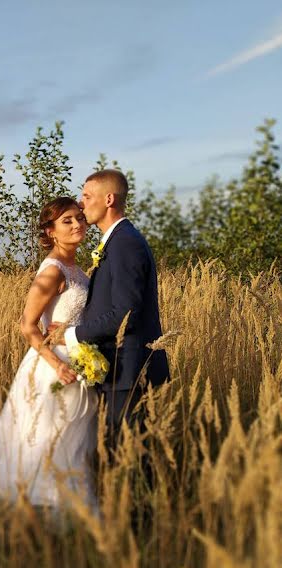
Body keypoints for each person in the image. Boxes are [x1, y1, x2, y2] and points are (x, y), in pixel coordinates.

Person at [0, 196, 97, 511]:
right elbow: (27, 325)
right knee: (45, 439)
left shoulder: (77, 268)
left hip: (78, 359)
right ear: (51, 231)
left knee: (71, 444)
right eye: (67, 221)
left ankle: (67, 509)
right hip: (52, 365)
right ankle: (41, 508)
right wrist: (57, 365)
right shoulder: (52, 271)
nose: (77, 224)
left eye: (79, 218)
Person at [56, 169, 170, 451]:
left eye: (86, 196)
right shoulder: (118, 241)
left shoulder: (124, 243)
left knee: (130, 460)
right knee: (121, 457)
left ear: (108, 199)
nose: (81, 204)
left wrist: (70, 335)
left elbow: (124, 312)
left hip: (130, 372)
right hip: (120, 372)